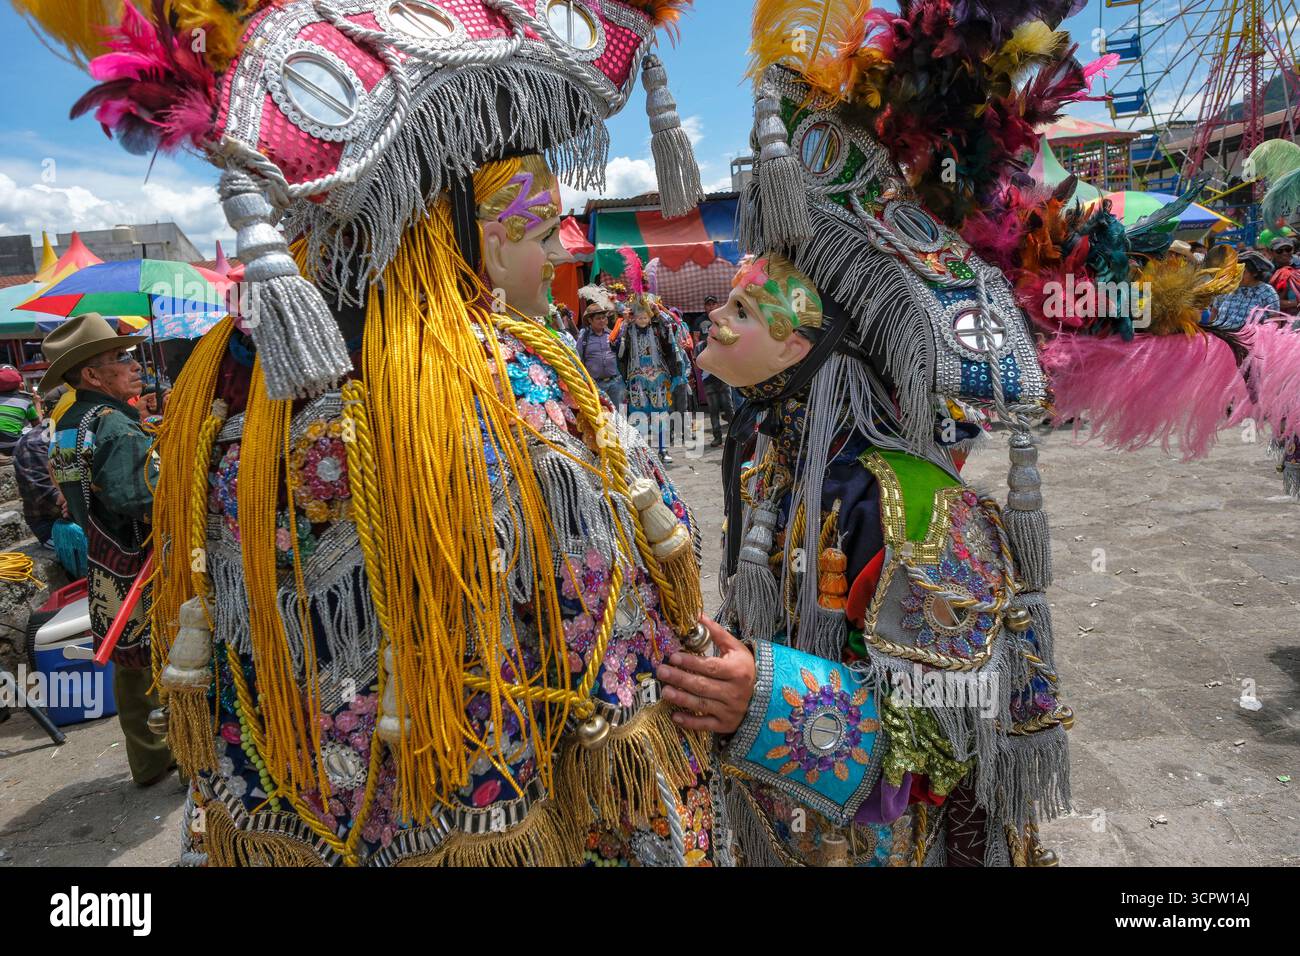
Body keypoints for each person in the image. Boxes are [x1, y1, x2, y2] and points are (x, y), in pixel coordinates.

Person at [24, 0, 727, 867]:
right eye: (540, 232)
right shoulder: (507, 378)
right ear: (456, 227)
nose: (555, 258)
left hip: (299, 804)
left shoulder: (231, 387)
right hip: (493, 799)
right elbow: (616, 607)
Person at [654, 1, 1082, 869]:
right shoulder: (774, 464)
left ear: (810, 345)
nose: (714, 321)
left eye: (743, 307)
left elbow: (949, 725)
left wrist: (766, 700)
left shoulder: (916, 504)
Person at [41, 313, 173, 786]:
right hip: (140, 558)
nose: (134, 365)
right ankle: (176, 756)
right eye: (120, 358)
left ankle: (149, 761)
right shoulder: (114, 425)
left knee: (129, 661)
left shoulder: (70, 422)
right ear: (92, 376)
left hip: (104, 560)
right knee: (166, 661)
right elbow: (138, 497)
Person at [1209, 251, 1281, 330]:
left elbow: (1275, 322)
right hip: (1220, 337)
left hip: (1250, 340)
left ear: (1254, 273)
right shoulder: (1225, 288)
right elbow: (1214, 313)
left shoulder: (1267, 292)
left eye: (1242, 272)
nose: (1237, 276)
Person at [576, 302, 626, 409]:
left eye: (604, 318)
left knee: (621, 415)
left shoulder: (612, 335)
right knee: (603, 417)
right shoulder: (584, 337)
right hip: (596, 385)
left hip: (616, 383)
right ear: (590, 320)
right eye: (598, 318)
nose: (602, 321)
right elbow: (578, 359)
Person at [695, 319, 732, 447]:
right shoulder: (699, 346)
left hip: (723, 378)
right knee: (713, 410)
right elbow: (699, 363)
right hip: (709, 380)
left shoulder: (721, 344)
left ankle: (733, 436)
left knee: (728, 407)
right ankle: (717, 437)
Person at [0, 365, 38, 457]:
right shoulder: (25, 401)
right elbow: (37, 426)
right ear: (19, 385)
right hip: (11, 447)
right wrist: (37, 403)